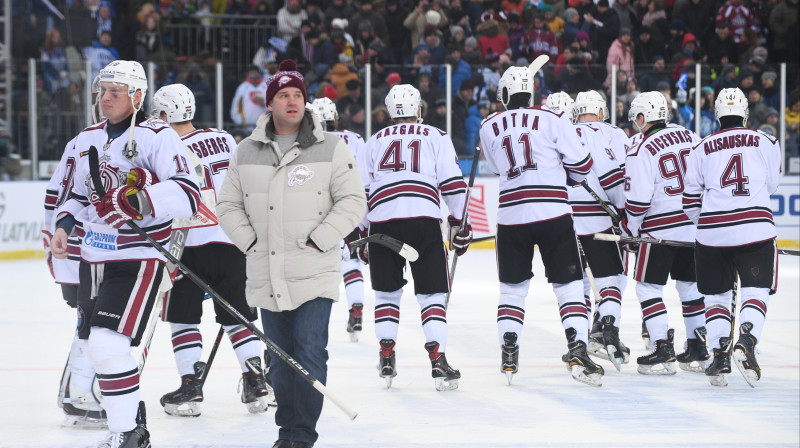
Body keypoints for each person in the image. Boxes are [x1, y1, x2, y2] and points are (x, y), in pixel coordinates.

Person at [50, 60, 201, 447]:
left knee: (107, 341)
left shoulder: (158, 135)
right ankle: (130, 427)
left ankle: (127, 432)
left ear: (137, 96)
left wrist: (138, 201)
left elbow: (187, 193)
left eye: (115, 91)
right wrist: (64, 228)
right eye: (102, 91)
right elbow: (78, 196)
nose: (105, 98)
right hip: (94, 257)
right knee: (94, 343)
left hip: (137, 254)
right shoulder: (87, 139)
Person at [217, 60, 366, 448]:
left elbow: (352, 201)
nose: (292, 101)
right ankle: (287, 430)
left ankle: (301, 435)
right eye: (283, 95)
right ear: (270, 104)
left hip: (314, 270)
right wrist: (249, 242)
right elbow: (228, 205)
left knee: (310, 351)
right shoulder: (245, 151)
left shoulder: (331, 147)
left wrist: (322, 238)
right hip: (266, 270)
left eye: (297, 94)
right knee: (281, 362)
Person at [149, 84, 272, 417]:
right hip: (233, 239)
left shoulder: (166, 147)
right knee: (238, 316)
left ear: (164, 114)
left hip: (189, 244)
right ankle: (255, 379)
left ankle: (190, 386)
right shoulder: (224, 138)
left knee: (182, 317)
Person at [479, 67, 602, 387]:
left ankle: (509, 349)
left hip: (510, 217)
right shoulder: (553, 117)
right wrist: (567, 175)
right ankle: (577, 348)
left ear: (504, 95)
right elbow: (583, 165)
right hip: (553, 212)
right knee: (569, 286)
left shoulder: (488, 125)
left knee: (512, 290)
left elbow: (495, 168)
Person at [357, 84, 471, 391]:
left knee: (386, 295)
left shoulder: (374, 141)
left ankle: (386, 354)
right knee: (432, 295)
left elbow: (362, 193)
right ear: (419, 110)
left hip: (383, 224)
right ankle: (438, 359)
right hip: (422, 219)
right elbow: (453, 185)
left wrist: (364, 230)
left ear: (390, 111)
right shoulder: (436, 135)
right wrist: (461, 223)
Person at [682, 87, 781, 387]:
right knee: (756, 289)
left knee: (715, 297)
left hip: (712, 234)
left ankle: (719, 356)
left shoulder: (700, 148)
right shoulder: (767, 140)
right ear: (746, 112)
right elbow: (772, 186)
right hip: (756, 229)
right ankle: (747, 341)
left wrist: (710, 225)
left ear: (716, 113)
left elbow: (689, 202)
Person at [623, 91, 708, 376]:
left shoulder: (642, 147)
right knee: (690, 287)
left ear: (643, 117)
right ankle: (698, 345)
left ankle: (661, 346)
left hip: (658, 228)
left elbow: (637, 201)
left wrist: (630, 230)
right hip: (693, 226)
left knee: (648, 287)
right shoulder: (690, 135)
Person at [566, 90, 630, 370]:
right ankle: (609, 331)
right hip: (599, 219)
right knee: (611, 278)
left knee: (575, 285)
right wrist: (622, 211)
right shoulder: (612, 133)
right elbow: (619, 175)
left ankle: (578, 344)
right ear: (602, 112)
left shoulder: (563, 132)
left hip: (565, 221)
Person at [311, 97, 368, 342]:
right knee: (351, 262)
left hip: (318, 212)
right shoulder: (355, 139)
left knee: (315, 269)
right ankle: (356, 305)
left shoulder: (306, 141)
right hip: (350, 209)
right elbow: (366, 179)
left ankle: (311, 325)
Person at [230, 66, 268, 132]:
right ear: (248, 74)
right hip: (247, 127)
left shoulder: (267, 86)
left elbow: (274, 105)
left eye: (256, 72)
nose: (254, 74)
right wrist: (240, 122)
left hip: (264, 127)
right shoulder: (242, 87)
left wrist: (264, 104)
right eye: (252, 72)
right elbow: (236, 105)